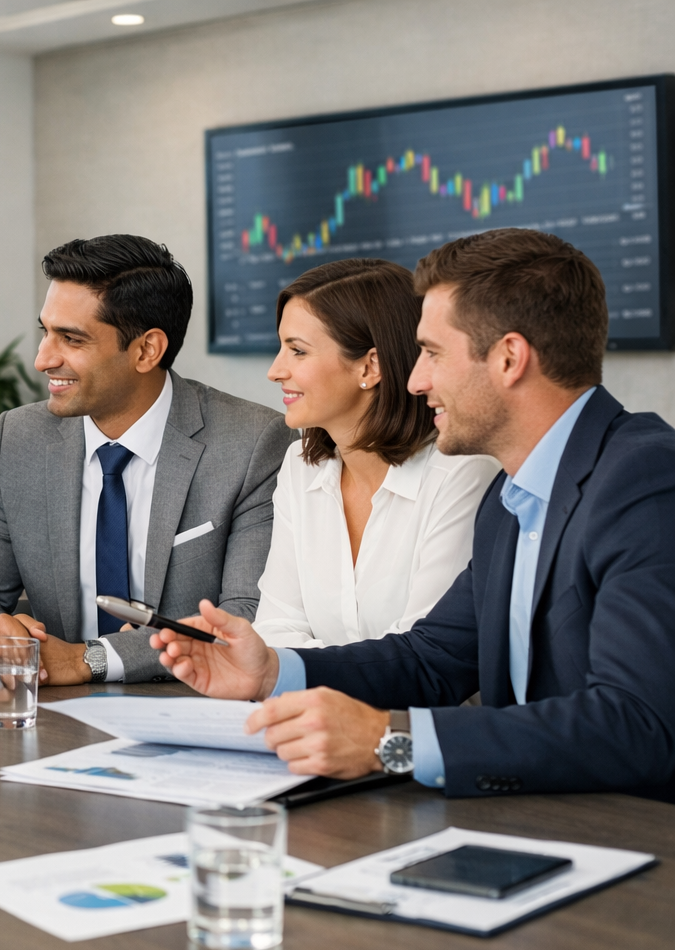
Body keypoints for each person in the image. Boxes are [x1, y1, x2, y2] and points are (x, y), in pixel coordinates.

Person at [152, 228, 675, 800]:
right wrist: (272, 671)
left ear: (508, 358)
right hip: (535, 816)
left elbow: (638, 727)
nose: (417, 378)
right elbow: (435, 658)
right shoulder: (513, 493)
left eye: (431, 353)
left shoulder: (645, 481)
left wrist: (388, 740)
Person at [0, 234, 297, 684]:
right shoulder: (20, 437)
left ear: (147, 350)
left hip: (192, 706)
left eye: (71, 339)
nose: (42, 359)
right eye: (45, 332)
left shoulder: (251, 443)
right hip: (55, 715)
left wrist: (90, 659)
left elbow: (245, 616)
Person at [254, 258, 498, 647]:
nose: (275, 370)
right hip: (312, 705)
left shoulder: (462, 476)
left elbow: (424, 656)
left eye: (297, 351)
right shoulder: (299, 467)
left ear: (370, 367)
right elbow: (275, 628)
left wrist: (299, 669)